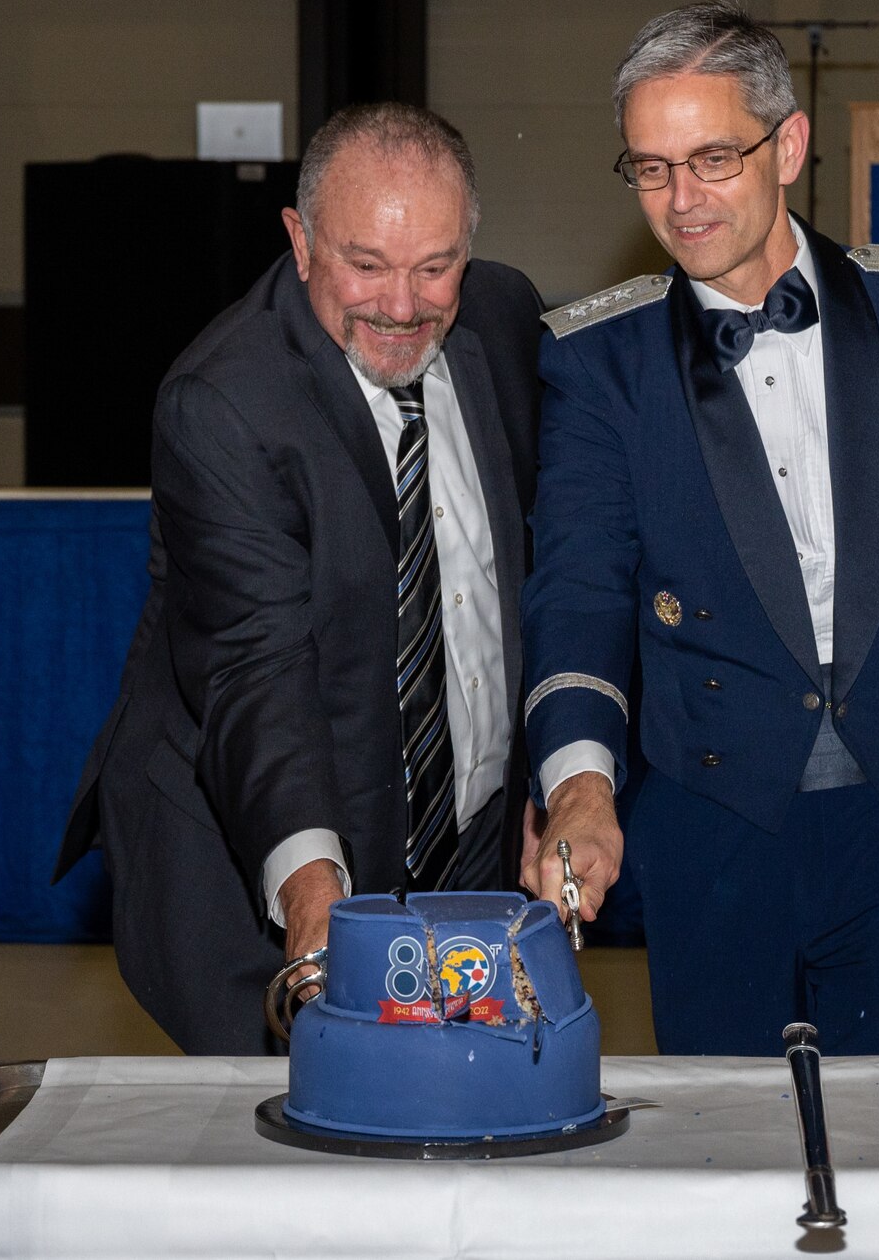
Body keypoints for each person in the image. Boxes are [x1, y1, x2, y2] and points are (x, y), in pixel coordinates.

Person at [519, 3, 879, 1060]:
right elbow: (578, 598)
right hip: (713, 825)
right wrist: (580, 789)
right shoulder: (598, 365)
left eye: (709, 158)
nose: (680, 200)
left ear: (786, 143)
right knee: (728, 1175)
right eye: (649, 169)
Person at [53, 103, 545, 1054]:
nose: (403, 306)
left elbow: (538, 564)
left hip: (467, 837)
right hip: (256, 853)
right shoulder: (225, 401)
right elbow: (255, 669)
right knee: (287, 1165)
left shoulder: (507, 318)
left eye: (435, 266)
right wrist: (312, 887)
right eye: (366, 264)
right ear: (301, 239)